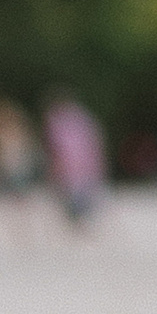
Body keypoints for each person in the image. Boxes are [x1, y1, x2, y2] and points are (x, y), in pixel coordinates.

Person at [41, 92, 108, 228]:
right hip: (85, 169)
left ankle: (79, 227)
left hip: (73, 170)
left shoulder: (57, 122)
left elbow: (57, 150)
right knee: (82, 199)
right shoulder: (83, 118)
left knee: (75, 200)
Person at [0, 99, 45, 237]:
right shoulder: (12, 133)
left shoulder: (11, 133)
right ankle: (18, 227)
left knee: (17, 199)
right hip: (11, 170)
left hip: (15, 170)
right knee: (15, 199)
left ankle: (19, 227)